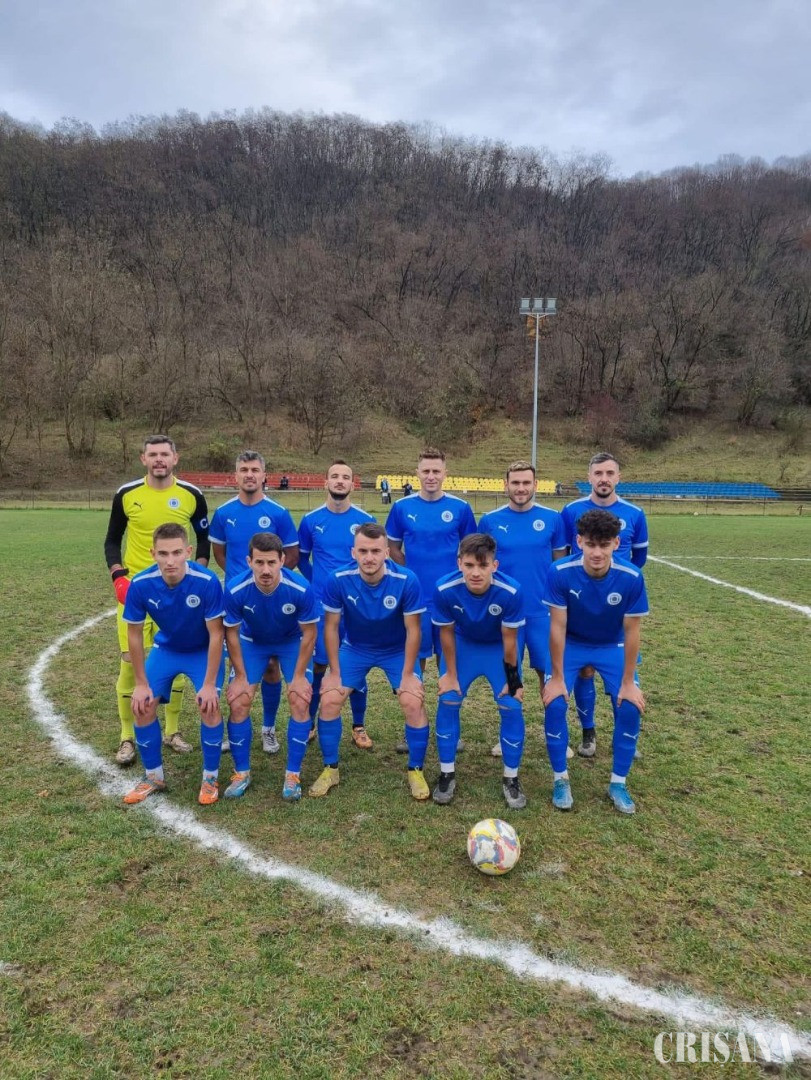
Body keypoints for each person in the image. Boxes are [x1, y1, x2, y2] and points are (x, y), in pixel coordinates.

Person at [104, 435, 210, 766]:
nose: (159, 459)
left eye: (165, 454)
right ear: (144, 459)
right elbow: (112, 540)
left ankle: (173, 731)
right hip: (137, 592)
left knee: (177, 656)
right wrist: (118, 576)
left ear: (175, 458)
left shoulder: (192, 495)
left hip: (178, 595)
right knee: (129, 661)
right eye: (153, 454)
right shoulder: (126, 494)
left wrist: (195, 576)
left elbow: (203, 540)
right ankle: (126, 736)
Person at [309, 523, 429, 800]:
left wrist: (408, 675)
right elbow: (331, 628)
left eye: (375, 551)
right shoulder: (338, 579)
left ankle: (416, 770)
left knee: (413, 701)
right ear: (353, 552)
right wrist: (334, 671)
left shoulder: (406, 580)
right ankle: (330, 769)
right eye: (363, 551)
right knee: (330, 699)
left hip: (396, 650)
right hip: (356, 648)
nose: (369, 557)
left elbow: (413, 630)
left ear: (387, 552)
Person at [542, 509, 649, 814]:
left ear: (616, 543)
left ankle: (618, 783)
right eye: (590, 544)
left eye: (604, 545)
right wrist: (558, 679)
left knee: (630, 706)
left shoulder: (631, 577)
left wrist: (628, 683)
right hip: (573, 643)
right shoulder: (560, 571)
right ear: (579, 542)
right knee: (555, 702)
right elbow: (557, 627)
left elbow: (632, 631)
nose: (597, 553)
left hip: (612, 645)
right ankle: (560, 779)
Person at [120, 523, 226, 806]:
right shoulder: (141, 584)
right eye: (163, 553)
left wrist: (208, 684)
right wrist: (140, 684)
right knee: (142, 705)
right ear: (153, 553)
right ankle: (153, 776)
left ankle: (210, 777)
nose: (170, 561)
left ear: (188, 552)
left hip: (202, 650)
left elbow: (217, 634)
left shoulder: (206, 581)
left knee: (209, 705)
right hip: (166, 649)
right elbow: (134, 634)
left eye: (177, 552)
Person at [387, 448, 477, 752]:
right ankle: (413, 725)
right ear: (417, 473)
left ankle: (450, 729)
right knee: (415, 665)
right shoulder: (401, 507)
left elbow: (470, 549)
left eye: (436, 471)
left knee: (449, 665)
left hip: (451, 600)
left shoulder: (461, 508)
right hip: (416, 601)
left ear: (445, 474)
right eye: (425, 471)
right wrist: (409, 573)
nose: (430, 476)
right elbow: (393, 548)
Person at [209, 450, 299, 754]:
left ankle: (268, 728)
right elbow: (220, 553)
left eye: (254, 470)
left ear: (264, 476)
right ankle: (235, 725)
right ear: (235, 475)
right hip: (237, 602)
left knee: (272, 665)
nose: (249, 475)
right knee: (235, 665)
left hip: (270, 601)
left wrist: (267, 580)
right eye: (244, 469)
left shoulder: (278, 513)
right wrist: (241, 583)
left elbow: (291, 555)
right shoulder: (223, 513)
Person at [559, 453, 649, 757]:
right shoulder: (571, 511)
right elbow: (563, 555)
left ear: (618, 477)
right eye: (598, 473)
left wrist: (619, 585)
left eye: (610, 473)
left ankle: (624, 734)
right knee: (584, 670)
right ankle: (589, 732)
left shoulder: (634, 514)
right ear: (589, 477)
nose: (604, 479)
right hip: (579, 602)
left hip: (617, 603)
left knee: (622, 670)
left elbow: (639, 559)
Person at [431, 534, 527, 809]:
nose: (476, 572)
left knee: (511, 704)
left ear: (494, 565)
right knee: (448, 699)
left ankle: (511, 777)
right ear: (459, 563)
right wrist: (450, 674)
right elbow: (446, 634)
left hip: (498, 648)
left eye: (483, 566)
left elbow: (510, 641)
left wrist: (513, 679)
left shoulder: (511, 591)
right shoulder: (444, 588)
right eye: (469, 565)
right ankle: (447, 773)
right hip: (464, 646)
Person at [479, 461, 567, 758]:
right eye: (515, 482)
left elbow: (559, 565)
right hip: (507, 616)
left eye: (526, 482)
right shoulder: (489, 521)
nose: (520, 488)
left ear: (535, 485)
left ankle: (556, 736)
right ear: (505, 485)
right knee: (510, 675)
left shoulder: (552, 519)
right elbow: (483, 566)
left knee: (549, 675)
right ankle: (509, 736)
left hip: (543, 614)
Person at [223, 533, 319, 801]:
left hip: (291, 642)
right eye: (259, 562)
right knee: (239, 701)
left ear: (283, 561)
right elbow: (231, 634)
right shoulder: (235, 589)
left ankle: (292, 774)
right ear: (249, 562)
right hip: (252, 642)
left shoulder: (300, 588)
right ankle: (241, 773)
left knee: (300, 699)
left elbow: (310, 633)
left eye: (271, 563)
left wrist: (298, 676)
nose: (265, 570)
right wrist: (240, 676)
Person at [298, 461, 376, 747]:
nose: (340, 481)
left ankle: (358, 725)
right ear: (326, 482)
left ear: (352, 484)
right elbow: (301, 559)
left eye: (345, 477)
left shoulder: (365, 521)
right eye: (334, 476)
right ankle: (309, 722)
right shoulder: (310, 520)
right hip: (322, 608)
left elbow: (372, 560)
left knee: (357, 664)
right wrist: (320, 584)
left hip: (357, 608)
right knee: (319, 666)